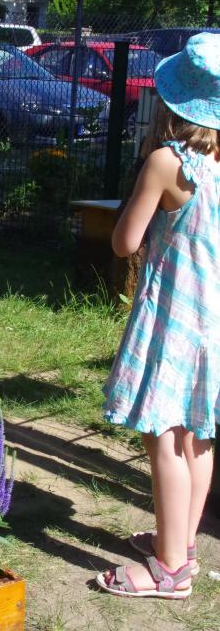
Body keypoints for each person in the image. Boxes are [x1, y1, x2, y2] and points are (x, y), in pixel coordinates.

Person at [97, 32, 220, 599]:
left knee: (163, 435)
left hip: (171, 318)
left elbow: (125, 242)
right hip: (213, 322)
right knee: (198, 436)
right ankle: (182, 542)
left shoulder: (167, 163)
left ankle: (169, 571)